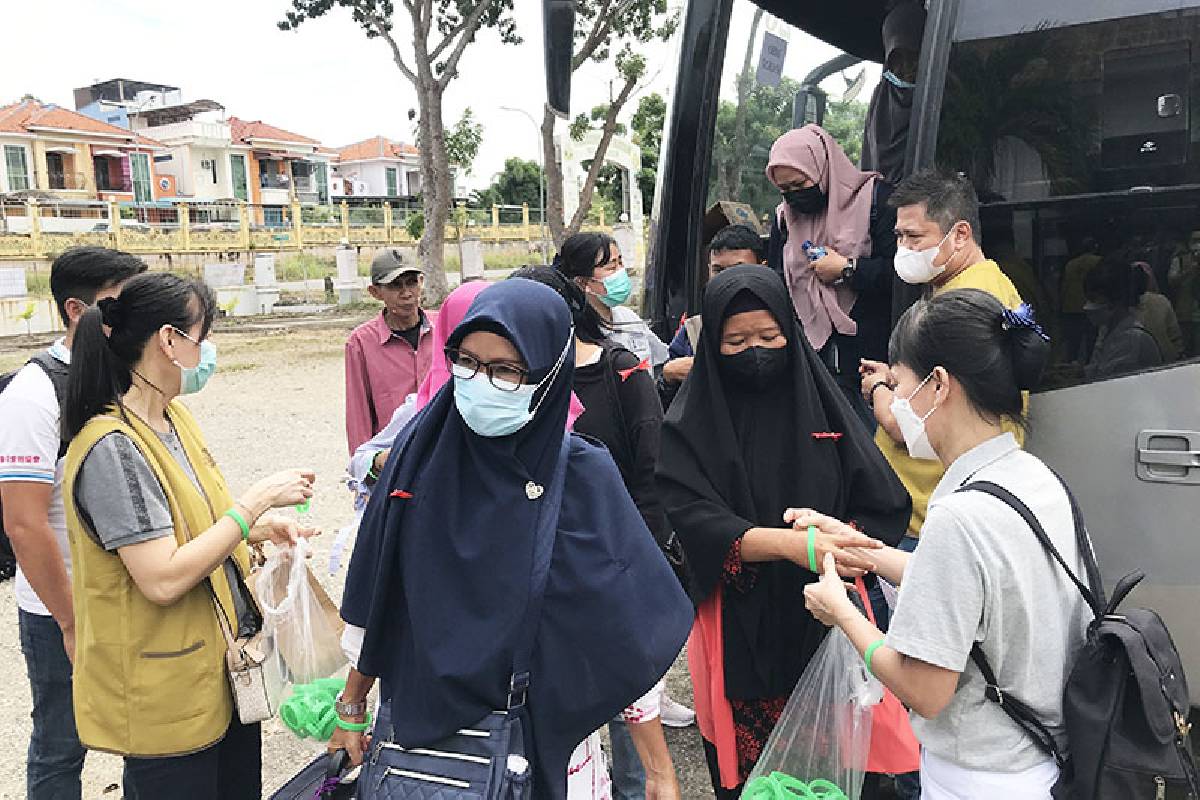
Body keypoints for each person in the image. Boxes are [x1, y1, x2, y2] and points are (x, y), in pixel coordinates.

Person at [331, 279, 693, 800]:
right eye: (467, 362)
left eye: (506, 370)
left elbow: (621, 630)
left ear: (548, 376)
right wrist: (351, 707)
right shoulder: (418, 459)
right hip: (425, 754)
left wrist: (658, 770)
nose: (480, 382)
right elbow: (378, 598)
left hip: (543, 746)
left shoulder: (581, 477)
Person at [802, 288, 1088, 797]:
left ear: (937, 385)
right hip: (1048, 763)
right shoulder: (1036, 478)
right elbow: (987, 597)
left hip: (979, 777)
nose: (891, 402)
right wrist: (861, 548)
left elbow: (925, 690)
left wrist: (843, 614)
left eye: (897, 384)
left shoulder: (958, 516)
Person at [656, 266, 911, 799]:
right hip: (740, 628)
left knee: (841, 777)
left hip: (827, 619)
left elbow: (884, 503)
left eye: (770, 337)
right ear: (712, 345)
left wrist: (843, 547)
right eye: (737, 340)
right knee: (759, 783)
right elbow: (694, 518)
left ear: (791, 334)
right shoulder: (690, 426)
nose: (756, 351)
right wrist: (794, 546)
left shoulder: (825, 410)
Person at [59, 272, 316, 799]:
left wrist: (257, 531)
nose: (209, 351)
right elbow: (160, 578)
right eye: (202, 335)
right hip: (165, 696)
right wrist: (253, 505)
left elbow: (195, 529)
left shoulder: (173, 420)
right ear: (170, 341)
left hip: (216, 676)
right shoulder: (113, 448)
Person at [510, 266, 681, 800]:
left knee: (620, 686)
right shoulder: (455, 454)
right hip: (501, 730)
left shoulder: (609, 390)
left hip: (612, 557)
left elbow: (652, 470)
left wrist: (642, 557)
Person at [0, 247, 145, 800]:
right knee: (62, 742)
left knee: (144, 735)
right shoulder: (34, 396)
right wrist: (68, 621)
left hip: (133, 593)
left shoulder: (128, 378)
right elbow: (24, 524)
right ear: (77, 310)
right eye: (121, 305)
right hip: (63, 608)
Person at [860, 168, 1025, 555]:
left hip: (928, 512)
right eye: (899, 236)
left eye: (914, 237)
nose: (902, 248)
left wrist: (880, 387)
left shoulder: (957, 308)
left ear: (960, 234)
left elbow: (908, 422)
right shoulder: (989, 285)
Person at [766, 124, 897, 424]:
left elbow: (901, 275)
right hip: (814, 362)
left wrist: (848, 269)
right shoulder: (785, 218)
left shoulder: (877, 202)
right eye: (785, 190)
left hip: (874, 360)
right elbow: (777, 277)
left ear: (823, 168)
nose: (795, 197)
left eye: (801, 185)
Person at [344, 249, 436, 453]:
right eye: (395, 285)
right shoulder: (361, 343)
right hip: (393, 455)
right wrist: (364, 468)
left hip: (442, 449)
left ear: (421, 282)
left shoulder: (445, 327)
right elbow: (358, 413)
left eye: (411, 282)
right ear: (375, 292)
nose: (406, 293)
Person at [661, 224, 768, 394]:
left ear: (762, 268)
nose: (726, 279)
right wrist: (669, 376)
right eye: (718, 270)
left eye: (737, 269)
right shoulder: (693, 331)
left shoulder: (783, 326)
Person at [554, 232, 670, 372]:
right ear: (583, 282)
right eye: (611, 267)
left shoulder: (629, 319)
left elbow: (661, 362)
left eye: (620, 263)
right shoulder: (572, 332)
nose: (621, 272)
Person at [860, 0, 926, 183]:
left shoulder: (942, 96)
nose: (906, 68)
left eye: (913, 57)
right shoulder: (880, 104)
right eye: (897, 59)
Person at [1084, 256, 1163, 381]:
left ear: (1117, 300)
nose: (1087, 306)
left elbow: (1106, 380)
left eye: (1094, 299)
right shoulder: (1106, 330)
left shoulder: (1133, 338)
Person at [1132, 261, 1183, 362]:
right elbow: (1176, 337)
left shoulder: (1119, 308)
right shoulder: (1162, 301)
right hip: (1167, 365)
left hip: (1131, 370)